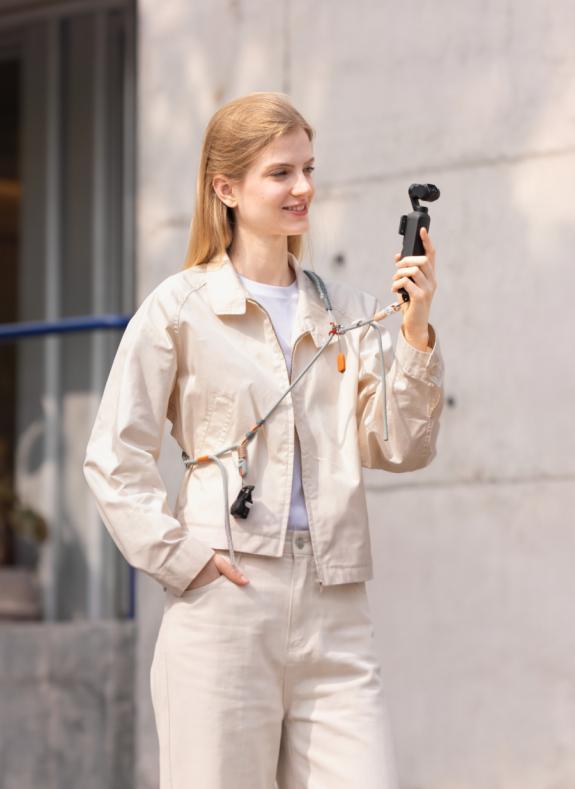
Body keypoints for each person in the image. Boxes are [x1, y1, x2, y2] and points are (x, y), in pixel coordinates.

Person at [83, 91, 444, 789]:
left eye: (307, 168)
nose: (302, 187)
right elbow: (113, 458)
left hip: (335, 607)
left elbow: (401, 447)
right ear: (226, 188)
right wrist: (182, 558)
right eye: (280, 172)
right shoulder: (180, 309)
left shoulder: (348, 312)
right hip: (225, 604)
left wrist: (415, 328)